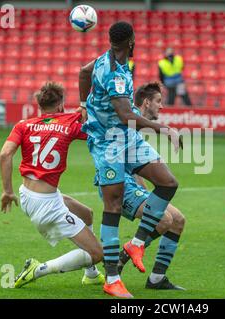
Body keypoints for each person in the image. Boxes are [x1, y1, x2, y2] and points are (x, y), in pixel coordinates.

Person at [78, 21, 182, 298]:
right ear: (131, 41)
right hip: (108, 144)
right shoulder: (116, 73)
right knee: (112, 205)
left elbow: (83, 72)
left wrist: (82, 106)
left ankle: (136, 243)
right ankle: (112, 279)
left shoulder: (104, 60)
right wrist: (164, 129)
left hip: (126, 140)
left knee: (168, 183)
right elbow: (126, 116)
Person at [0, 82, 104, 288]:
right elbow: (93, 128)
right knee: (97, 253)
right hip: (46, 205)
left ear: (40, 106)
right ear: (60, 106)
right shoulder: (68, 124)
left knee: (87, 214)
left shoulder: (23, 125)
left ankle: (91, 274)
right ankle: (37, 269)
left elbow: (5, 154)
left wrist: (7, 191)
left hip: (27, 194)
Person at [86, 82, 186, 290]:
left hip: (133, 186)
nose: (162, 106)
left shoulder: (135, 132)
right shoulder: (127, 116)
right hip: (118, 187)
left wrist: (150, 196)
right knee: (164, 220)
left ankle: (157, 278)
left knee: (177, 220)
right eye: (158, 101)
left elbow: (137, 164)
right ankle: (122, 255)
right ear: (146, 102)